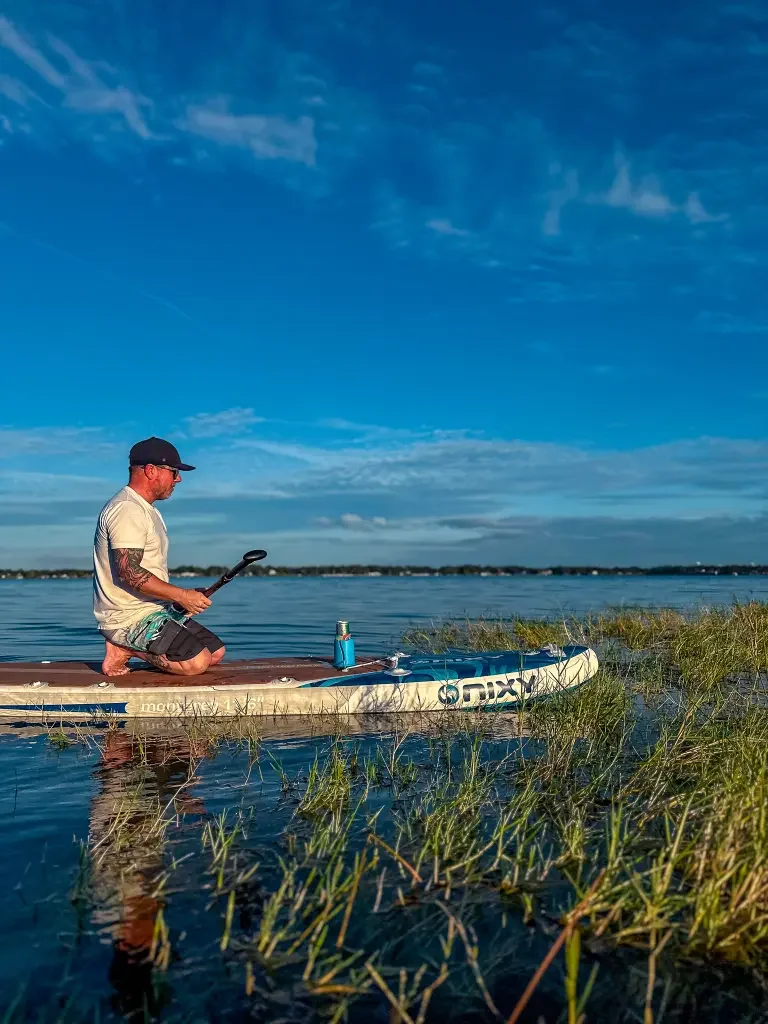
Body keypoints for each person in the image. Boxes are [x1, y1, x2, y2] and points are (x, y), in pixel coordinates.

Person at [93, 436, 225, 677]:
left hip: (153, 610)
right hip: (127, 617)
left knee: (215, 653)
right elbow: (129, 573)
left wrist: (182, 599)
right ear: (151, 470)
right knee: (195, 663)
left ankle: (136, 645)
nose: (179, 478)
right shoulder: (127, 509)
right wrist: (182, 596)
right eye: (174, 472)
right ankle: (122, 646)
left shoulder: (147, 510)